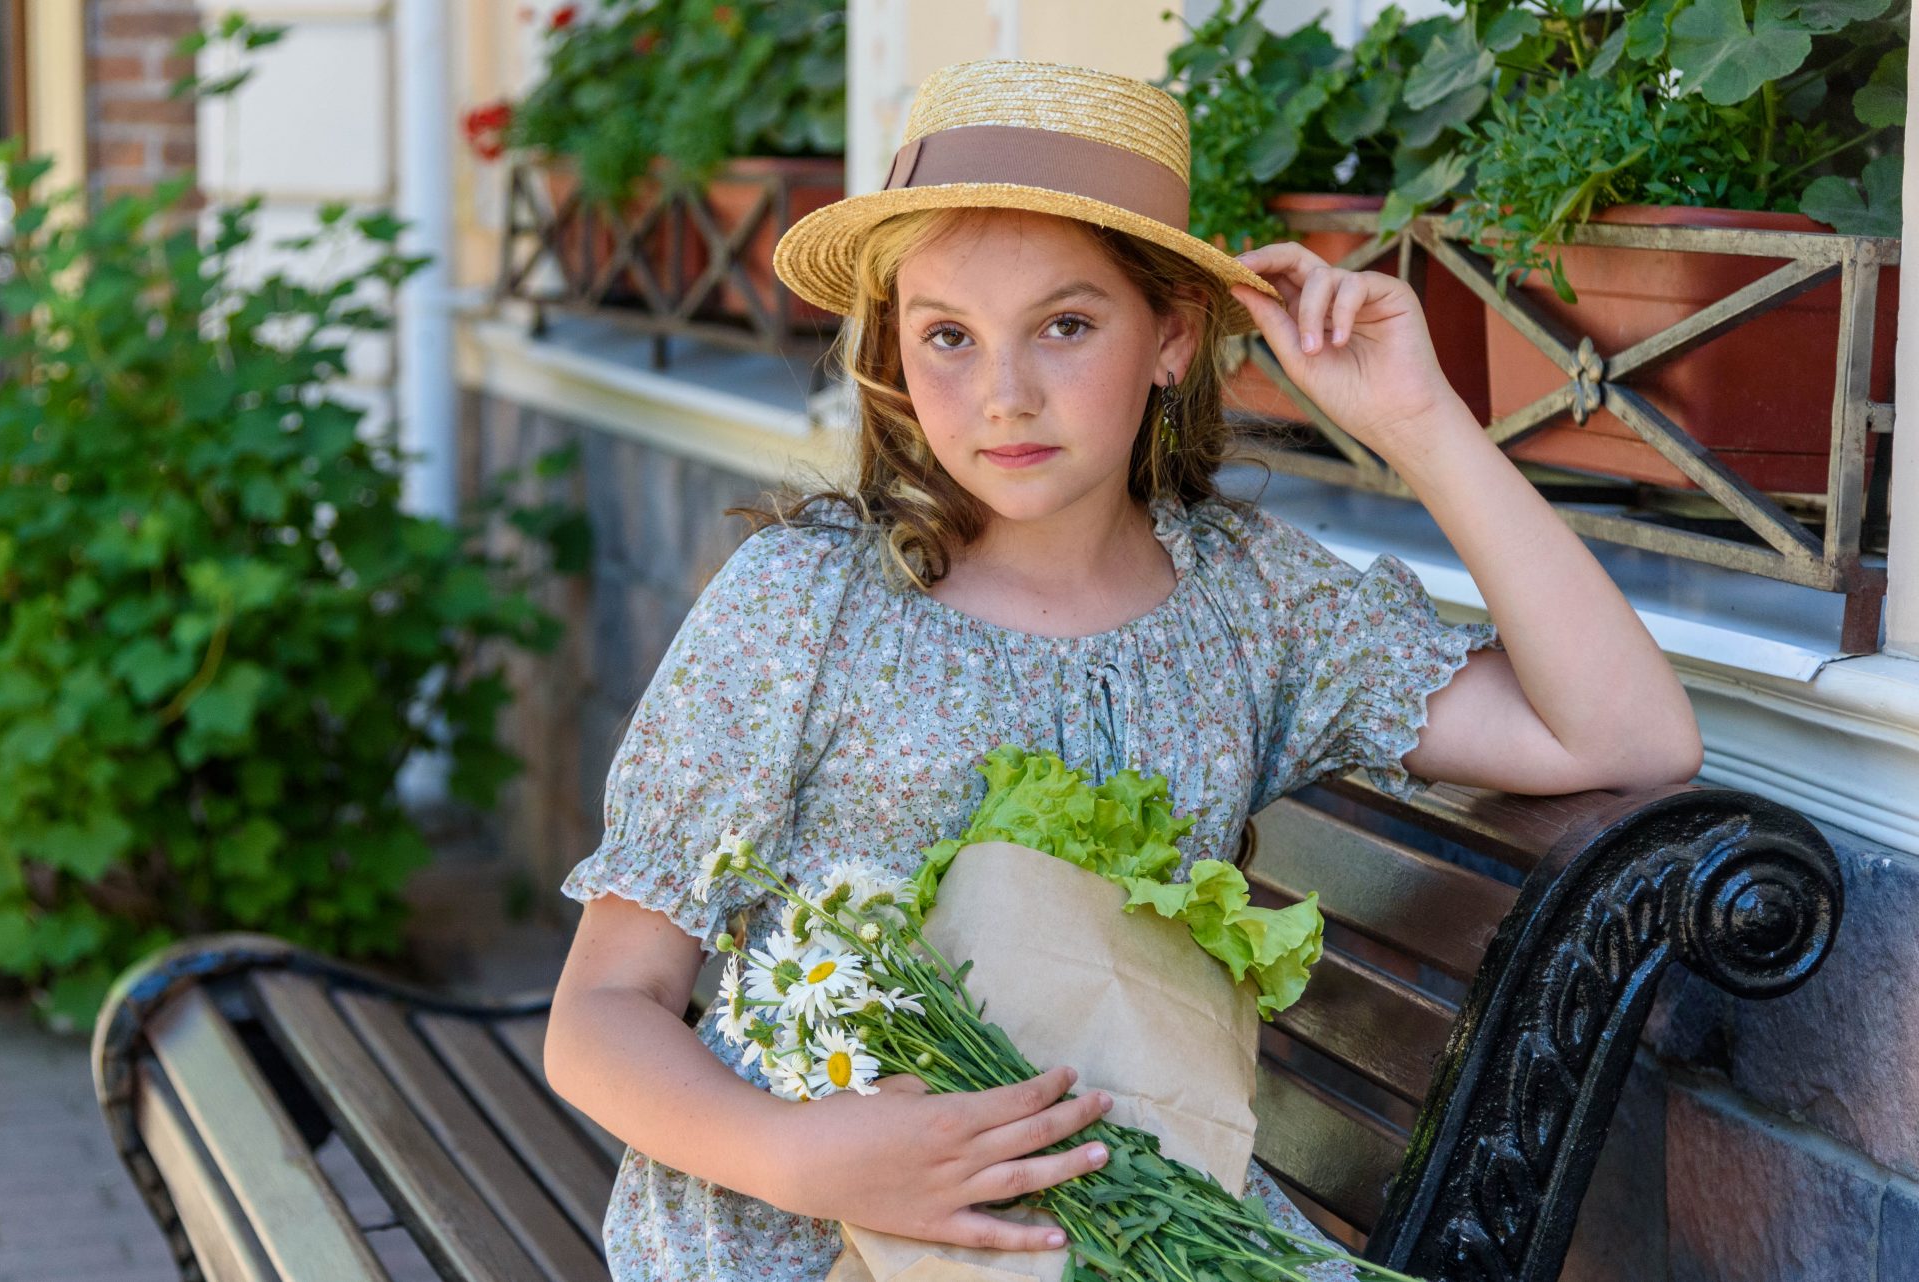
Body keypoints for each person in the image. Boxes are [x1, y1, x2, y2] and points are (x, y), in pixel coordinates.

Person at [542, 57, 1703, 1282]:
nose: (1004, 393)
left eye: (1066, 324)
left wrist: (1417, 421)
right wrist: (811, 1158)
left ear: (1171, 337)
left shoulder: (1252, 604)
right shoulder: (809, 601)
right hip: (796, 1229)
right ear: (894, 345)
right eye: (947, 335)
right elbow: (603, 1013)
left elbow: (1624, 737)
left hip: (1135, 1226)